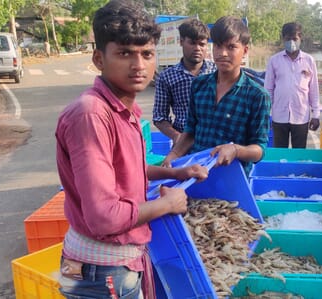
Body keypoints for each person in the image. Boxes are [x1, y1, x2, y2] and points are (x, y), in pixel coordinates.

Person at [54, 1, 208, 298]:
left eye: (146, 54)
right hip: (102, 271)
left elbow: (128, 170)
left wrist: (176, 171)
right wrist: (168, 204)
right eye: (124, 53)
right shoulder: (91, 115)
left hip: (120, 263)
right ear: (99, 58)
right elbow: (104, 217)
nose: (139, 65)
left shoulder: (125, 109)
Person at [161, 16, 271, 174]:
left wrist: (235, 150)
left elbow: (259, 150)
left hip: (232, 178)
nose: (223, 53)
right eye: (218, 46)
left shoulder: (257, 95)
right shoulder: (199, 85)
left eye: (231, 47)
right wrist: (173, 155)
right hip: (196, 173)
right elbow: (190, 131)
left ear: (245, 51)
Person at [153, 19, 216, 144]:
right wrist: (177, 137)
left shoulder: (217, 72)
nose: (197, 48)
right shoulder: (167, 77)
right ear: (181, 42)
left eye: (202, 44)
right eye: (192, 43)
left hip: (215, 142)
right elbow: (159, 117)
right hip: (183, 145)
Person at [263, 22, 320, 148]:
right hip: (279, 116)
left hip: (301, 116)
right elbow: (268, 90)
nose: (291, 42)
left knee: (299, 154)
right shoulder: (274, 60)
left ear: (300, 38)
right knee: (280, 153)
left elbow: (314, 90)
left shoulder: (309, 60)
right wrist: (267, 114)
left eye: (294, 39)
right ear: (283, 39)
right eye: (288, 39)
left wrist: (316, 115)